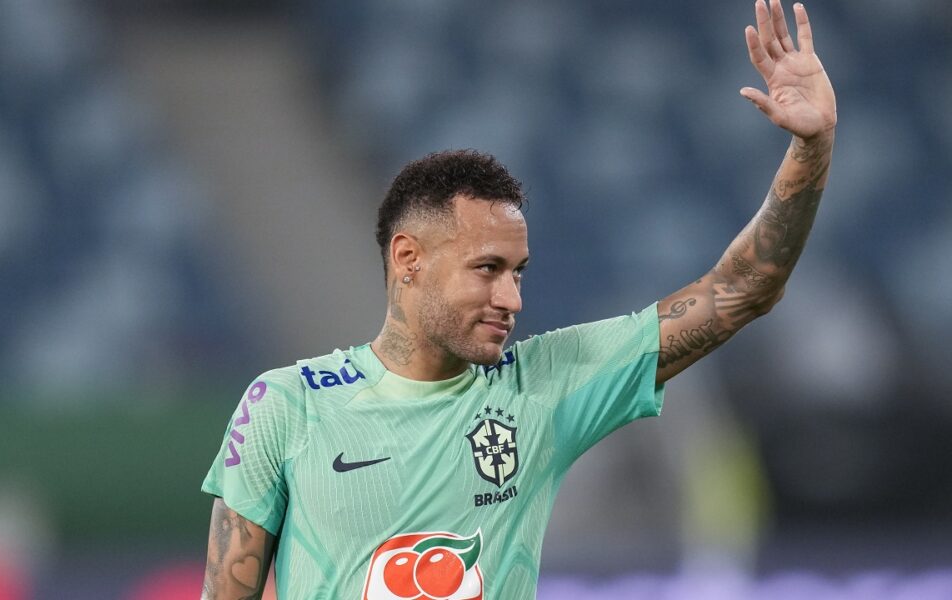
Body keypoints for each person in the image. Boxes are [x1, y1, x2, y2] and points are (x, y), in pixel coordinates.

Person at [200, 1, 836, 598]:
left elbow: (742, 289)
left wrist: (811, 147)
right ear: (407, 259)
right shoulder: (286, 406)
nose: (511, 298)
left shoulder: (543, 387)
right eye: (487, 269)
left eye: (518, 273)